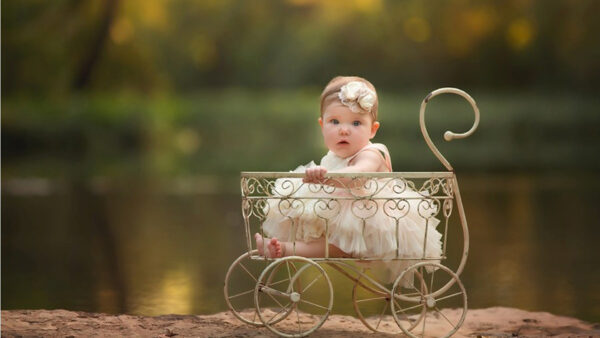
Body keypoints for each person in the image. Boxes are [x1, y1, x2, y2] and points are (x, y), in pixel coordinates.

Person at [255, 76, 442, 281]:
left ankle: (284, 249)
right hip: (342, 216)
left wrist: (323, 177)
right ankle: (280, 244)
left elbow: (357, 177)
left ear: (373, 129)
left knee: (335, 244)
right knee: (298, 203)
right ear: (322, 125)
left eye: (356, 123)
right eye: (334, 122)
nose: (343, 129)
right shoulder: (333, 158)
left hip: (374, 224)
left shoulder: (373, 152)